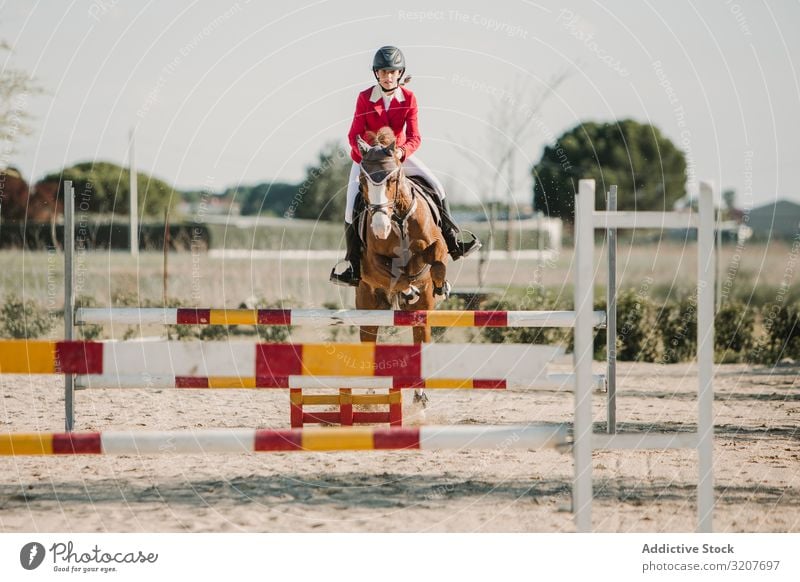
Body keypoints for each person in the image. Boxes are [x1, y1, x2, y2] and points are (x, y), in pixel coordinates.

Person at [330, 45, 481, 287]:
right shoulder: (364, 98)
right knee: (350, 207)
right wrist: (367, 155)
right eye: (383, 72)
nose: (388, 76)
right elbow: (353, 135)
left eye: (392, 72)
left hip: (398, 159)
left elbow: (415, 137)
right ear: (376, 74)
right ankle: (352, 264)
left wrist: (401, 151)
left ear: (400, 74)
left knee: (437, 187)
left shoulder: (409, 98)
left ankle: (453, 240)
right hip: (368, 161)